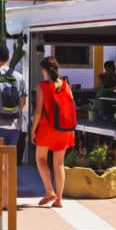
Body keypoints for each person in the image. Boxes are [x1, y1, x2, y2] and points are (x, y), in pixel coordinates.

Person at [33, 55, 76, 208]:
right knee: (59, 164)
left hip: (46, 128)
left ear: (44, 70)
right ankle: (59, 199)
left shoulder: (42, 86)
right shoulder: (65, 85)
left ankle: (49, 191)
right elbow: (71, 107)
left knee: (40, 158)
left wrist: (33, 130)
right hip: (64, 129)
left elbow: (38, 111)